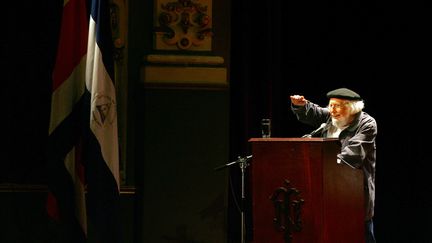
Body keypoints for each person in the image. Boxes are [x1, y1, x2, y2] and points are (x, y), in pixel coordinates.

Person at [290, 87, 377, 243]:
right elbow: (315, 112)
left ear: (352, 108)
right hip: (327, 193)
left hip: (354, 195)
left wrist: (326, 166)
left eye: (337, 106)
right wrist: (301, 106)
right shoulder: (331, 117)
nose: (332, 110)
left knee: (360, 236)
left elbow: (354, 155)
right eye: (330, 105)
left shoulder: (367, 123)